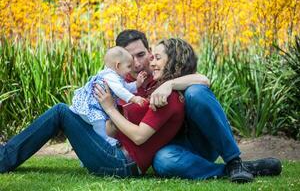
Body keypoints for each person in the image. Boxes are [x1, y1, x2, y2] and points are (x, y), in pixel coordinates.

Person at [0, 38, 206, 177]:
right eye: (151, 57)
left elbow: (139, 137)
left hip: (121, 163)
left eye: (157, 58)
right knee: (65, 112)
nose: (150, 63)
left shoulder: (166, 97)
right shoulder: (157, 87)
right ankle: (6, 155)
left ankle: (4, 158)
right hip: (116, 154)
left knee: (61, 112)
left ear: (174, 62)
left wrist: (109, 108)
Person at [115, 29, 282, 183]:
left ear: (150, 51)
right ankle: (233, 170)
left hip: (201, 139)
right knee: (162, 161)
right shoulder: (122, 86)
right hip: (174, 148)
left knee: (196, 93)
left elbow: (203, 80)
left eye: (142, 55)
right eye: (130, 58)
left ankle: (234, 161)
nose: (137, 64)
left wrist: (169, 84)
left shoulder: (160, 70)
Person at [70, 46, 147, 146]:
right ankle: (104, 139)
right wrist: (133, 98)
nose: (130, 70)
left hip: (97, 106)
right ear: (118, 65)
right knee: (99, 122)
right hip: (92, 107)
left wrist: (137, 83)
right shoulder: (110, 76)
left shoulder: (116, 76)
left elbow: (125, 87)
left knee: (98, 122)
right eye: (128, 66)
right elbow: (120, 90)